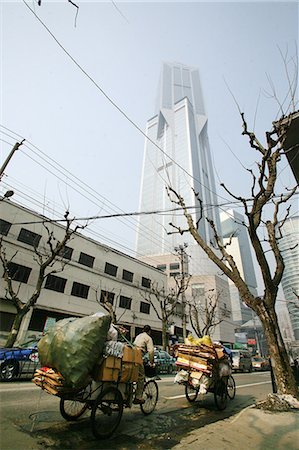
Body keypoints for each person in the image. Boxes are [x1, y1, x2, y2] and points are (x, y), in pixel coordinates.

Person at [133, 325, 155, 404]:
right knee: (141, 377)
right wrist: (152, 362)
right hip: (138, 356)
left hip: (131, 354)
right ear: (149, 331)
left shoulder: (139, 336)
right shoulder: (148, 338)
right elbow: (151, 351)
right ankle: (138, 397)